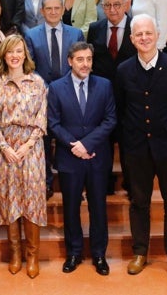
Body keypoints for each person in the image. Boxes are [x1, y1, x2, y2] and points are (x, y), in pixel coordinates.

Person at [115, 14, 167, 279]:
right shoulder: (124, 70)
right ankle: (140, 252)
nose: (144, 38)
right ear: (131, 39)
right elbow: (119, 109)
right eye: (138, 34)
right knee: (139, 202)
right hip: (137, 148)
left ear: (157, 34)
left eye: (148, 33)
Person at [47, 42, 117, 276]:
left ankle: (99, 254)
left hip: (97, 157)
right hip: (70, 158)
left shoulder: (104, 85)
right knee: (71, 208)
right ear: (70, 61)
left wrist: (87, 144)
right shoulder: (56, 88)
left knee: (98, 207)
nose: (85, 64)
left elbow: (110, 120)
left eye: (88, 59)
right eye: (80, 59)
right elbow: (53, 123)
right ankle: (74, 253)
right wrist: (74, 145)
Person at [0, 34, 47, 279]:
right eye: (10, 51)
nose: (15, 56)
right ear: (3, 55)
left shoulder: (38, 83)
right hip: (4, 150)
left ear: (25, 54)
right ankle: (15, 253)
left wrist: (27, 145)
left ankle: (32, 255)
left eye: (19, 51)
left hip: (32, 149)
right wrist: (5, 147)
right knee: (11, 199)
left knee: (31, 200)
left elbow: (42, 119)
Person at [25, 0, 84, 198]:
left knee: (70, 137)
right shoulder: (32, 35)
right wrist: (46, 87)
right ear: (42, 11)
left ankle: (75, 183)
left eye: (56, 8)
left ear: (62, 10)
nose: (52, 12)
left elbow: (79, 63)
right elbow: (29, 66)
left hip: (69, 95)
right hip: (42, 96)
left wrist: (62, 87)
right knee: (43, 139)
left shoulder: (75, 34)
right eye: (48, 9)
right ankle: (47, 183)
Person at [88, 0, 137, 194]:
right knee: (103, 144)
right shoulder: (95, 28)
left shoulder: (136, 28)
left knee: (129, 144)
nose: (112, 10)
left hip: (130, 97)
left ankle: (132, 185)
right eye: (107, 5)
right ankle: (105, 185)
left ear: (126, 5)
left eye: (117, 4)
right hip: (103, 98)